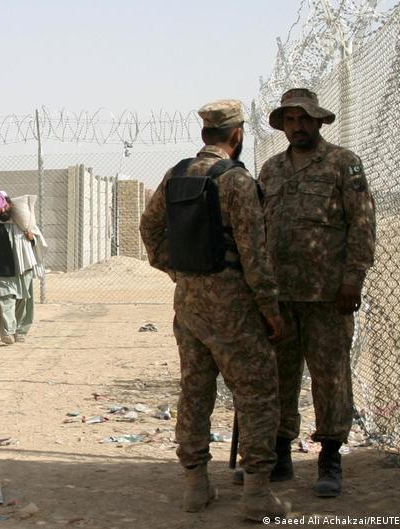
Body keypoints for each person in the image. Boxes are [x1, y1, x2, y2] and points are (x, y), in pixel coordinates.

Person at [139, 100, 289, 521]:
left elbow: (148, 228)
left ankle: (195, 485)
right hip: (234, 307)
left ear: (205, 134)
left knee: (195, 391)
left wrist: (175, 268)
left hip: (188, 304)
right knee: (257, 393)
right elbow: (254, 254)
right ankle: (257, 493)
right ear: (237, 135)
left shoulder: (176, 175)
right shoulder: (237, 182)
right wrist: (270, 308)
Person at [252, 88, 376, 498]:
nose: (297, 127)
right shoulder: (270, 170)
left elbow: (361, 223)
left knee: (330, 376)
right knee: (280, 376)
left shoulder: (343, 164)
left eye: (304, 119)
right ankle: (282, 452)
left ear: (319, 122)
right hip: (280, 296)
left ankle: (330, 457)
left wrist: (352, 278)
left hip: (327, 294)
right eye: (290, 120)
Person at [0, 195, 37, 345]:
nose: (3, 210)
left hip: (24, 269)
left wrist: (31, 238)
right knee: (6, 300)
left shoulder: (22, 221)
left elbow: (35, 244)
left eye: (5, 206)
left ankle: (20, 331)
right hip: (4, 270)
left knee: (23, 302)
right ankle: (8, 332)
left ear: (10, 206)